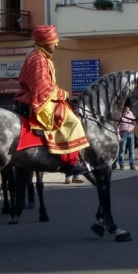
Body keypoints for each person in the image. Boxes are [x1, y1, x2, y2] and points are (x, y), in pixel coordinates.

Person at [14, 25, 89, 175]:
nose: (57, 43)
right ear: (45, 42)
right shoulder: (38, 59)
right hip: (34, 99)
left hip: (38, 96)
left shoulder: (41, 56)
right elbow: (41, 87)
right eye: (53, 41)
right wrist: (62, 94)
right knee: (71, 121)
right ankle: (70, 163)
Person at [118, 105, 136, 170]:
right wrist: (118, 136)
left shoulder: (131, 113)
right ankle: (121, 165)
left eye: (128, 108)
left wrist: (132, 128)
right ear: (124, 108)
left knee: (132, 150)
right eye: (126, 108)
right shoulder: (120, 115)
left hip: (131, 133)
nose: (127, 110)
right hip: (123, 133)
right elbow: (118, 126)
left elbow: (134, 122)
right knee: (122, 150)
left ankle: (132, 164)